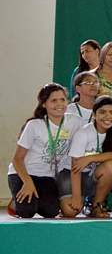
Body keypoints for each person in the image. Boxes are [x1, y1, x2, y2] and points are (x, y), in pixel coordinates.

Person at [8, 84, 84, 219]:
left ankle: (34, 198)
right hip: (24, 173)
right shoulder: (35, 125)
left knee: (51, 211)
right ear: (44, 104)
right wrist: (27, 182)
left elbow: (93, 129)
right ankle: (15, 201)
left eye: (62, 99)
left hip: (47, 176)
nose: (59, 104)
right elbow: (17, 159)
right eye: (53, 101)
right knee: (27, 212)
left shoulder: (74, 121)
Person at [68, 96, 112, 218]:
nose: (107, 117)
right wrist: (76, 195)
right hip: (73, 175)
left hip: (92, 176)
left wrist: (89, 158)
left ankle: (96, 205)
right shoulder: (83, 134)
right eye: (102, 112)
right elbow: (75, 168)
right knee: (70, 211)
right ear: (94, 114)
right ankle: (69, 197)